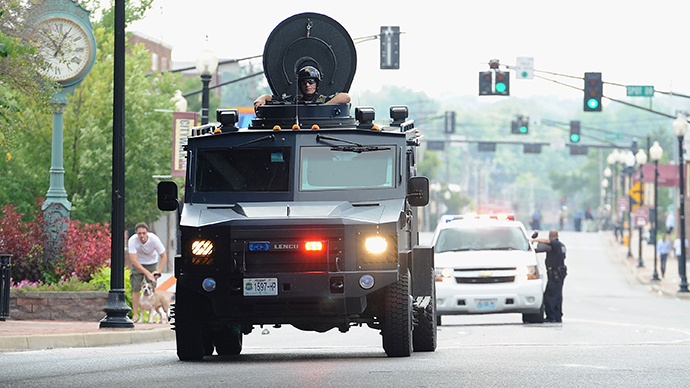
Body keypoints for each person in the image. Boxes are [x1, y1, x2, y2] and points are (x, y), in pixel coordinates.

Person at [253, 66, 351, 110]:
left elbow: (346, 97)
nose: (307, 85)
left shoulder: (323, 99)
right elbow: (272, 98)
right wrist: (262, 98)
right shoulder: (294, 100)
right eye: (304, 82)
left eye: (311, 82)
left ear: (317, 84)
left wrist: (324, 107)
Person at [128, 222, 168, 322]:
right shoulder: (132, 240)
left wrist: (157, 271)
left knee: (151, 288)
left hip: (151, 262)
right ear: (136, 233)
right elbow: (134, 261)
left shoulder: (154, 239)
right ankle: (136, 315)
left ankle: (152, 315)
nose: (142, 236)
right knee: (136, 288)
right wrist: (147, 274)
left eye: (144, 233)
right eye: (139, 233)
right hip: (138, 263)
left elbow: (163, 256)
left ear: (147, 233)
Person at [533, 229, 567, 323]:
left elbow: (547, 242)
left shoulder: (555, 244)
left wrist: (534, 240)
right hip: (559, 274)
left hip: (555, 275)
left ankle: (551, 317)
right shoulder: (561, 245)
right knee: (558, 296)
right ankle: (557, 316)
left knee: (549, 296)